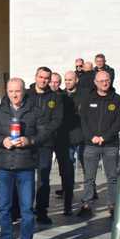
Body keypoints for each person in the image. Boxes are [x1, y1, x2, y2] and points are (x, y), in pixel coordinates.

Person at [0, 78, 48, 239]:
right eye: (11, 91)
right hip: (5, 166)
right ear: (7, 91)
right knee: (4, 208)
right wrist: (1, 140)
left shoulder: (34, 111)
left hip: (26, 166)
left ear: (24, 91)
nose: (14, 94)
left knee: (27, 209)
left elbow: (44, 133)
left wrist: (30, 141)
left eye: (18, 91)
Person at [79, 71, 120, 217]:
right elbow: (83, 121)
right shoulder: (87, 99)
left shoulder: (117, 100)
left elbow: (119, 122)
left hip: (110, 144)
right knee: (89, 177)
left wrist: (104, 137)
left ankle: (113, 205)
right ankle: (86, 204)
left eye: (107, 80)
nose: (105, 83)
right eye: (102, 81)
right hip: (91, 144)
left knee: (112, 177)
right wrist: (91, 137)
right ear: (95, 82)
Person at [24, 67, 62, 225]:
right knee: (24, 178)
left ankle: (41, 210)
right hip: (26, 143)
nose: (43, 80)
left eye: (47, 78)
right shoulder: (26, 95)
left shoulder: (55, 97)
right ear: (36, 76)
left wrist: (42, 136)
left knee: (43, 178)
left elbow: (56, 121)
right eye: (41, 77)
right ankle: (22, 209)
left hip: (45, 144)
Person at [54, 71, 85, 215]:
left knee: (81, 167)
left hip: (78, 136)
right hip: (63, 138)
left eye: (70, 80)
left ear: (76, 80)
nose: (67, 82)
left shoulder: (83, 95)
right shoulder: (60, 96)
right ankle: (67, 196)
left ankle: (84, 197)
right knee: (66, 169)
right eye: (65, 80)